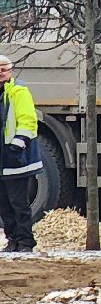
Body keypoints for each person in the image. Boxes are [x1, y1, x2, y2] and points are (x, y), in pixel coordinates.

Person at [0, 56, 41, 252]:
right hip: (2, 158)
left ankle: (25, 242)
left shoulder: (19, 91)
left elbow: (28, 119)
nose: (1, 73)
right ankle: (13, 240)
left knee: (18, 203)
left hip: (16, 157)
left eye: (4, 69)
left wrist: (18, 144)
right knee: (4, 204)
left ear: (11, 71)